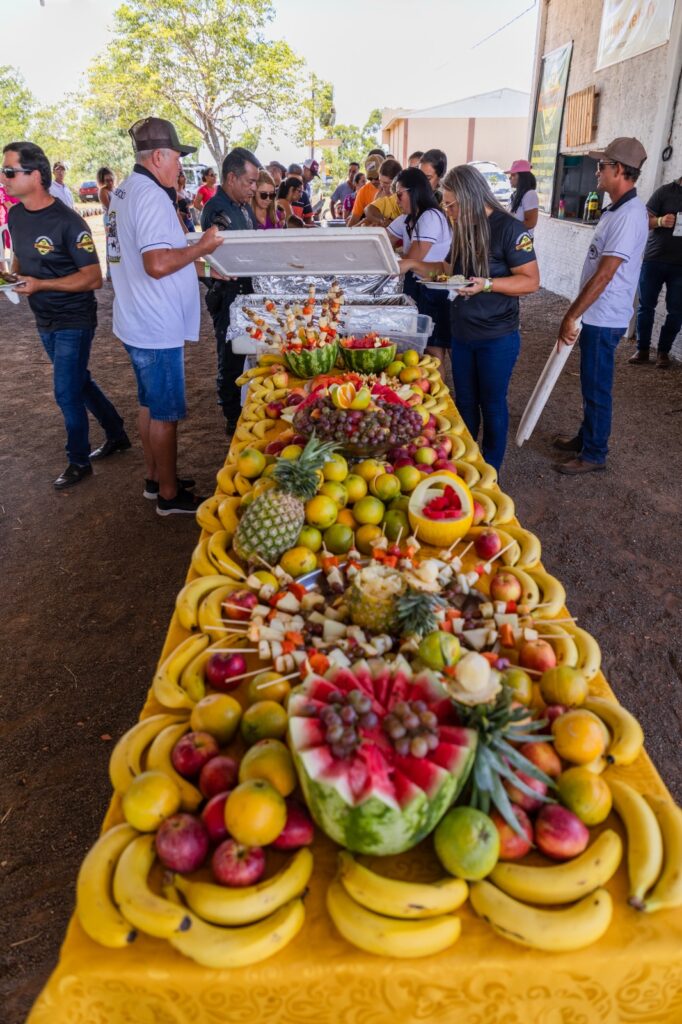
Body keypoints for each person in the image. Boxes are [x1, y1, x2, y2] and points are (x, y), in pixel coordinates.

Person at [107, 117, 223, 514]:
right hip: (155, 324)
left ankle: (155, 478)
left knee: (149, 405)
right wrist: (203, 247)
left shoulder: (125, 190)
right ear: (158, 156)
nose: (180, 167)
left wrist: (202, 266)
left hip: (135, 316)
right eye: (177, 157)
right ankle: (170, 495)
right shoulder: (152, 197)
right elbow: (157, 263)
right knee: (166, 414)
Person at [3, 141, 128, 489]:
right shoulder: (15, 215)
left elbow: (92, 278)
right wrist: (11, 275)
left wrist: (41, 284)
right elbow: (20, 256)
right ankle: (117, 433)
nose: (4, 178)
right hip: (44, 318)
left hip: (74, 319)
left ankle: (78, 460)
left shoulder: (68, 222)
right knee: (78, 381)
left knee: (65, 391)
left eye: (10, 171)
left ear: (37, 175)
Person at [401, 164, 540, 473]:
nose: (449, 211)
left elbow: (530, 281)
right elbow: (451, 270)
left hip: (496, 336)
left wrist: (488, 284)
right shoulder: (464, 226)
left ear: (471, 196)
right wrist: (411, 264)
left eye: (452, 204)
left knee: (491, 405)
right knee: (463, 402)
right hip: (462, 332)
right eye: (446, 205)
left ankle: (490, 471)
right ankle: (466, 463)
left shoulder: (510, 229)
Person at [555, 137, 649, 475]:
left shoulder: (629, 215)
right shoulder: (618, 209)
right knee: (591, 382)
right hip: (598, 313)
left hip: (604, 315)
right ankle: (586, 438)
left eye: (602, 165)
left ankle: (594, 453)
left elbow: (605, 274)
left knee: (596, 385)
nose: (597, 171)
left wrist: (572, 314)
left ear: (620, 170)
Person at [201, 147, 261, 434]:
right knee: (231, 355)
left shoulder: (242, 206)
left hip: (247, 293)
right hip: (227, 296)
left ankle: (241, 406)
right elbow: (221, 260)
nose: (253, 189)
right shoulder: (218, 210)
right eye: (249, 182)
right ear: (231, 178)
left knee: (247, 351)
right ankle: (231, 416)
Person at [389, 167, 452, 364]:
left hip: (436, 291)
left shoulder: (430, 216)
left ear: (414, 191)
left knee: (434, 353)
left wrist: (400, 258)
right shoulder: (408, 218)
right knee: (427, 351)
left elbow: (412, 259)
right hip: (422, 288)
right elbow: (381, 240)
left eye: (400, 195)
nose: (397, 201)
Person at [629, 172, 682, 369]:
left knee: (677, 312)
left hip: (681, 265)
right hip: (655, 259)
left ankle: (663, 352)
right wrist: (660, 221)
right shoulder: (665, 192)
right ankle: (642, 349)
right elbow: (643, 221)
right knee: (646, 306)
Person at [347, 150, 385, 226]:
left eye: (376, 177)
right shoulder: (363, 191)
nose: (373, 181)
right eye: (370, 178)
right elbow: (353, 221)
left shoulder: (394, 189)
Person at [363, 158, 402, 227]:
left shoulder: (401, 197)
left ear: (397, 182)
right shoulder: (379, 194)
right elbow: (369, 212)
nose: (382, 185)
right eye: (380, 181)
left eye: (386, 183)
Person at [507, 160, 539, 235]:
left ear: (522, 177)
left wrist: (510, 227)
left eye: (513, 175)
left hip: (522, 240)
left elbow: (531, 223)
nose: (510, 178)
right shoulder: (515, 194)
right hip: (513, 238)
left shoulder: (530, 194)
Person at [97, 166, 115, 278]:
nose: (110, 182)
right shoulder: (103, 191)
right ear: (102, 181)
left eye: (111, 179)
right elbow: (110, 208)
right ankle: (110, 273)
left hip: (116, 218)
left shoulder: (115, 189)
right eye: (107, 180)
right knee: (111, 244)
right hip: (109, 219)